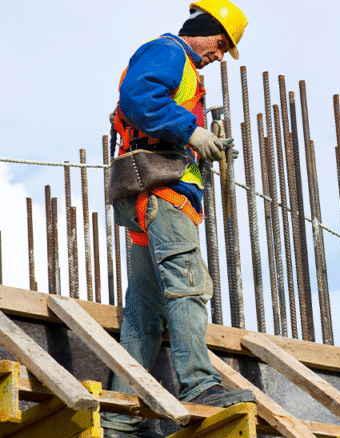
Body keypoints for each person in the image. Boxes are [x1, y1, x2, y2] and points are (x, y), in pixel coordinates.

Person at [103, 1, 253, 436]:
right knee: (187, 286)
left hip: (148, 198)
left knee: (144, 315)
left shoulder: (185, 70)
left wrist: (198, 140)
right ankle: (199, 385)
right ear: (204, 28)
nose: (219, 55)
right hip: (163, 196)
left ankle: (117, 419)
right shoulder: (170, 52)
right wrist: (191, 131)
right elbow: (138, 97)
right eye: (221, 44)